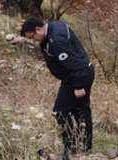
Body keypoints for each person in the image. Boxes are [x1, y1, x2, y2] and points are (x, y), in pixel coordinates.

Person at [20, 16, 95, 159]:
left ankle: (72, 149)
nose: (34, 40)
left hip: (78, 75)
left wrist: (78, 85)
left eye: (33, 37)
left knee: (61, 111)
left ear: (38, 29)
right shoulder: (53, 28)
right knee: (79, 110)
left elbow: (74, 63)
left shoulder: (57, 40)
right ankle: (84, 147)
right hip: (78, 73)